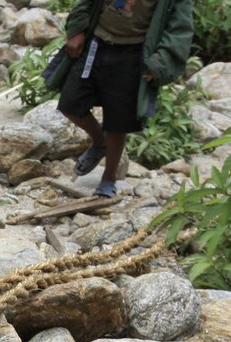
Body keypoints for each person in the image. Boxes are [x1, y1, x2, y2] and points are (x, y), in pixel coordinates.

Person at [56, 0, 194, 197]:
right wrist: (77, 30)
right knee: (70, 103)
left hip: (133, 53)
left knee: (118, 121)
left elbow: (179, 29)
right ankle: (100, 142)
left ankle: (109, 178)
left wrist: (160, 62)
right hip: (96, 44)